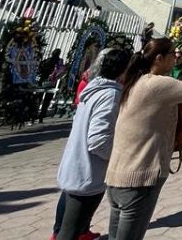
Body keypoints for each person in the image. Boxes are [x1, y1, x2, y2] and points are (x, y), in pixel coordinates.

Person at [105, 38, 182, 240]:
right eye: (173, 55)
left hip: (118, 175)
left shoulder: (135, 81)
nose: (176, 59)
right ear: (159, 58)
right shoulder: (156, 84)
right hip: (140, 176)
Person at [54, 48, 130, 240]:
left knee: (70, 227)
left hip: (77, 166)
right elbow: (98, 140)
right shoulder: (110, 95)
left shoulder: (94, 88)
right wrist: (116, 158)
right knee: (70, 231)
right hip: (88, 171)